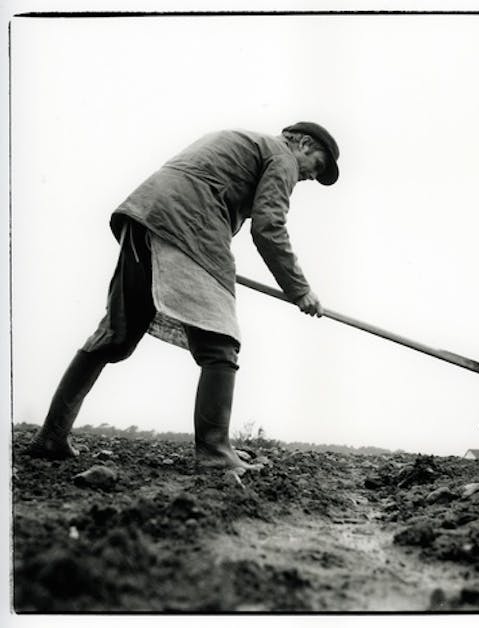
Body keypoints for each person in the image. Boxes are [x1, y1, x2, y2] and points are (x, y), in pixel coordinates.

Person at [26, 122, 340, 472]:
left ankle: (52, 436)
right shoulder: (282, 156)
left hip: (146, 215)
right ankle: (215, 453)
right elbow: (269, 226)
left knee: (115, 336)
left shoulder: (249, 143)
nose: (312, 175)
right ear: (303, 142)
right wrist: (300, 290)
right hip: (186, 224)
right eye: (319, 164)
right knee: (220, 344)